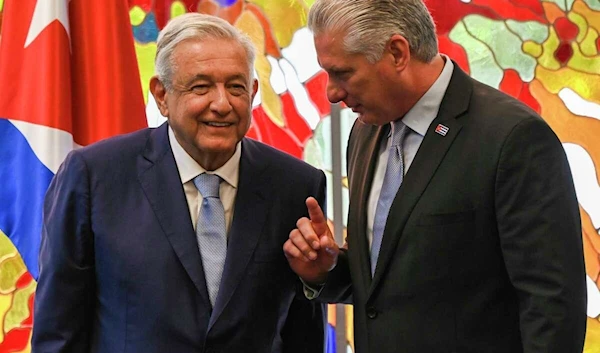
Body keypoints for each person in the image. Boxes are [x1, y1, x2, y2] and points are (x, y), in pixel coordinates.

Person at [283, 0, 587, 352]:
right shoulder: (365, 133)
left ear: (397, 52)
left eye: (342, 73)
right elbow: (394, 282)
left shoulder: (512, 138)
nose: (331, 93)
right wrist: (327, 270)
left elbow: (553, 306)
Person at [32, 13, 327, 353]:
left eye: (236, 87)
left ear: (253, 92)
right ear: (161, 95)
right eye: (201, 87)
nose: (222, 104)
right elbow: (59, 331)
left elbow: (304, 332)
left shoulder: (295, 185)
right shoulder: (94, 177)